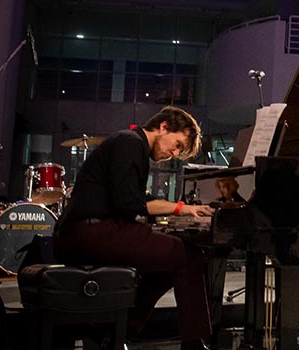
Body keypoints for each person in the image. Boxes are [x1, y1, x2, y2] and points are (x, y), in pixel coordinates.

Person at [53, 106, 215, 350]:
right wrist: (181, 209)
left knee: (166, 265)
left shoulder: (131, 145)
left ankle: (114, 332)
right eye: (178, 145)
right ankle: (193, 344)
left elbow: (135, 201)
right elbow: (129, 204)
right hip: (88, 233)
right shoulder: (130, 143)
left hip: (90, 232)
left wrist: (175, 213)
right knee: (189, 256)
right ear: (163, 127)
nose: (174, 153)